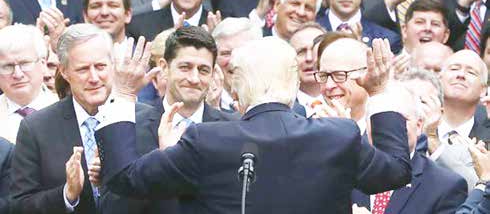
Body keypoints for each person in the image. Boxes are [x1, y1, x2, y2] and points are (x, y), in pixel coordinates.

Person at [94, 32, 412, 213]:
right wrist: (380, 90)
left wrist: (122, 92)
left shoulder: (205, 141)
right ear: (292, 83)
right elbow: (396, 171)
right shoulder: (339, 135)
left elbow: (124, 179)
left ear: (238, 86)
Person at [10, 24, 158, 214]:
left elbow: (160, 193)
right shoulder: (36, 128)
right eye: (82, 69)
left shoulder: (147, 120)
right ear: (64, 72)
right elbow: (19, 206)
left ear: (113, 65)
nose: (94, 77)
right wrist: (67, 195)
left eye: (100, 66)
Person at [100, 26, 238, 214]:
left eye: (203, 70)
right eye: (185, 67)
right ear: (164, 68)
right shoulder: (130, 127)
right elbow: (112, 207)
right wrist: (163, 162)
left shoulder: (233, 129)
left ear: (213, 73)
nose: (194, 78)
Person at [352, 71, 468, 214]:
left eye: (400, 120)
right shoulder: (345, 172)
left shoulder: (446, 186)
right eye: (379, 120)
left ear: (419, 125)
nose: (388, 128)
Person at [0, 24, 57, 143]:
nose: (18, 74)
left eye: (25, 63)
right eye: (7, 66)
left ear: (42, 64)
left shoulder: (69, 109)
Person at [212, 18, 262, 112]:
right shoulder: (201, 103)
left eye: (241, 52)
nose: (233, 61)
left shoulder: (270, 103)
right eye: (226, 53)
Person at [288, 22, 325, 117]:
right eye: (301, 52)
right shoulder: (282, 107)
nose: (309, 58)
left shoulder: (347, 99)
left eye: (315, 50)